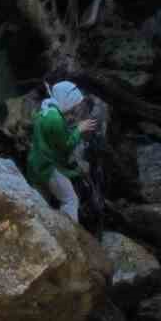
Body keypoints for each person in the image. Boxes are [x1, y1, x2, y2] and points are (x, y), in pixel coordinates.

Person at [27, 81, 96, 221]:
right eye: (73, 106)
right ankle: (68, 234)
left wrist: (74, 128)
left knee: (39, 202)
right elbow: (65, 146)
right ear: (66, 100)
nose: (73, 110)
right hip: (48, 167)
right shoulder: (55, 119)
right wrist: (79, 130)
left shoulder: (45, 110)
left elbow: (53, 137)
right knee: (70, 200)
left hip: (35, 164)